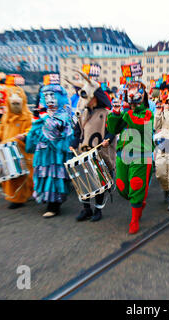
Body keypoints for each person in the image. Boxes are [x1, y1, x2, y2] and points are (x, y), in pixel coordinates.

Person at [106, 81, 154, 234]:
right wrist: (115, 114)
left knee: (136, 184)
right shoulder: (126, 111)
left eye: (136, 92)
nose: (132, 95)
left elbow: (140, 125)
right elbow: (112, 129)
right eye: (130, 92)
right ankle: (138, 202)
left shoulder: (147, 112)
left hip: (141, 154)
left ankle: (134, 219)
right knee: (121, 186)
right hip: (122, 154)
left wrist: (127, 112)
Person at [72, 74, 117, 222]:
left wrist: (107, 139)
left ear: (95, 98)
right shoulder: (83, 113)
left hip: (99, 152)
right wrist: (73, 142)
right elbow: (77, 130)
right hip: (83, 152)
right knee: (83, 181)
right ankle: (86, 209)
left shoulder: (106, 113)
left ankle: (98, 210)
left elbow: (112, 129)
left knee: (98, 182)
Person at [25, 84, 74, 218]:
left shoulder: (63, 113)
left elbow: (53, 128)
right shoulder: (44, 113)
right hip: (43, 153)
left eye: (52, 95)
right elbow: (35, 131)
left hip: (56, 153)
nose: (49, 99)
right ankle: (48, 200)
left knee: (55, 177)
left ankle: (53, 206)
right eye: (46, 96)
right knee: (43, 176)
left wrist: (44, 116)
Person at [0, 86, 34, 209]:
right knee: (10, 174)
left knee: (20, 175)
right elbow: (1, 129)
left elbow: (30, 131)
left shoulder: (27, 116)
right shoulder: (6, 116)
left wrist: (24, 136)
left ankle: (18, 199)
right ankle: (14, 195)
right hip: (6, 150)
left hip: (20, 151)